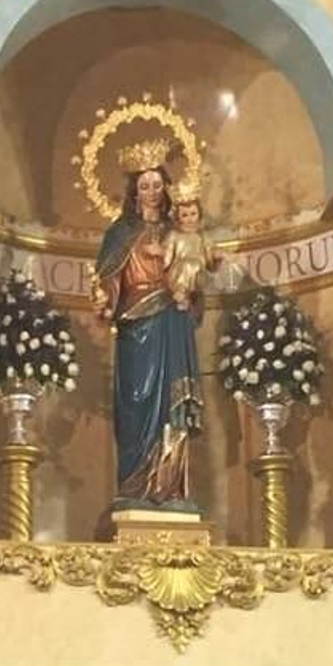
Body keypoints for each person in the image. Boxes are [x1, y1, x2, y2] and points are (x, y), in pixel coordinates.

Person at [92, 152, 203, 510]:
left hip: (172, 319)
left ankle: (170, 489)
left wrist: (190, 293)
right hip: (135, 324)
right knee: (136, 403)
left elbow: (195, 273)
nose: (152, 191)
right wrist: (104, 299)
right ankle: (135, 487)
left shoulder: (179, 232)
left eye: (157, 185)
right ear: (134, 192)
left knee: (173, 404)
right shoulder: (120, 233)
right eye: (145, 186)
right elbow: (107, 277)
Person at [164, 183, 219, 312]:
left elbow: (210, 261)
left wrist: (218, 255)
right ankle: (181, 294)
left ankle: (187, 297)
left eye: (193, 213)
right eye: (185, 215)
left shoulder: (202, 236)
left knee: (193, 265)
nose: (190, 219)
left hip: (198, 276)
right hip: (178, 276)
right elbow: (166, 260)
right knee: (187, 265)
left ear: (199, 214)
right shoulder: (174, 236)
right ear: (178, 217)